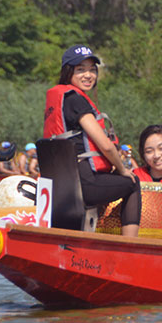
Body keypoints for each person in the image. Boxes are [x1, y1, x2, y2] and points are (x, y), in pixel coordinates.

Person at [43, 44, 140, 237]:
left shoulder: (60, 100)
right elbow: (105, 145)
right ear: (68, 72)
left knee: (110, 180)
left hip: (59, 188)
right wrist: (122, 169)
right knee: (132, 182)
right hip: (83, 185)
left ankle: (91, 236)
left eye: (92, 70)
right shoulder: (76, 100)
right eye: (81, 70)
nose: (88, 75)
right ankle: (131, 245)